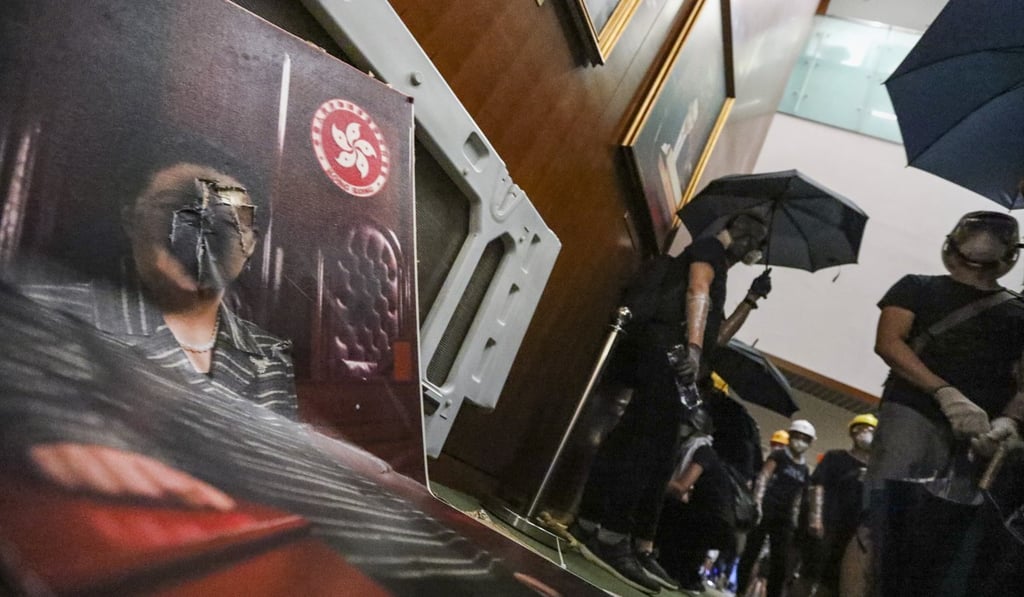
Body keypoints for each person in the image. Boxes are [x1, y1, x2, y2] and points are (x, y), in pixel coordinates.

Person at [19, 161, 297, 511]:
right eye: (174, 207)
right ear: (131, 220)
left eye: (226, 219)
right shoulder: (49, 310)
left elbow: (283, 472)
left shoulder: (268, 355)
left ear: (250, 245)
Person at [568, 212, 773, 593]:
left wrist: (751, 300)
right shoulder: (708, 250)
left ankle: (597, 524)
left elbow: (718, 335)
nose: (757, 253)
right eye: (757, 243)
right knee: (644, 446)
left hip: (678, 360)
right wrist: (693, 351)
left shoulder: (720, 268)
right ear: (743, 234)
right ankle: (611, 536)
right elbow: (697, 291)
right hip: (670, 355)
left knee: (642, 442)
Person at [866, 211, 1024, 596]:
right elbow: (889, 342)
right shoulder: (916, 287)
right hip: (912, 411)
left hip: (978, 435)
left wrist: (1008, 423)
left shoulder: (1018, 311)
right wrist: (944, 393)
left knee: (939, 534)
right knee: (881, 525)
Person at [792, 413, 877, 597]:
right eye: (863, 429)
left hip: (851, 534)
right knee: (809, 573)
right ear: (853, 433)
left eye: (872, 431)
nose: (867, 434)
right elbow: (817, 486)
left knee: (833, 581)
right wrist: (815, 518)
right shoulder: (835, 458)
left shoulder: (875, 471)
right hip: (826, 526)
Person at [656, 407, 736, 594]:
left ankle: (666, 564)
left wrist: (652, 480)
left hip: (709, 523)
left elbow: (681, 487)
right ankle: (687, 574)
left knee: (668, 508)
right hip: (719, 525)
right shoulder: (708, 452)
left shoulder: (701, 450)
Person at [736, 419, 815, 597]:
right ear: (791, 436)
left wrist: (796, 519)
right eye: (797, 436)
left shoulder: (804, 469)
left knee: (780, 560)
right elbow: (764, 477)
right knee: (751, 552)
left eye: (805, 439)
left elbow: (800, 497)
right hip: (766, 510)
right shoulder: (779, 456)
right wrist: (757, 504)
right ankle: (740, 591)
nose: (800, 442)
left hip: (784, 517)